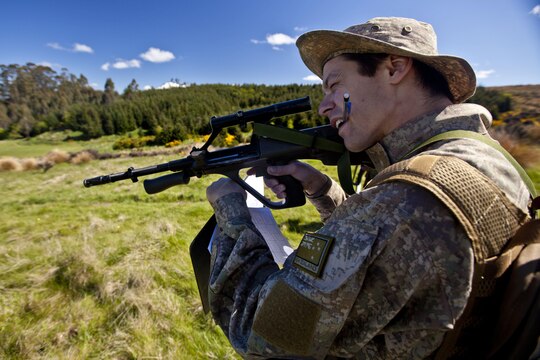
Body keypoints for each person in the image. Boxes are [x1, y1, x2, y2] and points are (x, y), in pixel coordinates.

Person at [205, 17, 531, 358]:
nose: (324, 105)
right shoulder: (479, 155)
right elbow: (386, 244)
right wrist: (323, 190)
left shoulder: (402, 204)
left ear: (395, 68)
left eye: (333, 85)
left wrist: (231, 210)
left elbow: (263, 335)